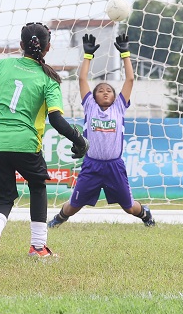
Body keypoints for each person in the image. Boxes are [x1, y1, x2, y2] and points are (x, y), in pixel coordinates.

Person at [0, 22, 89, 260]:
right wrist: (80, 141)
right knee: (37, 186)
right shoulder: (49, 79)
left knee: (3, 197)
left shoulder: (3, 65)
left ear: (21, 45)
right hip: (25, 142)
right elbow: (57, 120)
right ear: (47, 48)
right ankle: (38, 247)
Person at [47, 31, 155, 228]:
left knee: (129, 207)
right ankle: (57, 220)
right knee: (74, 205)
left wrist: (125, 54)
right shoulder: (90, 106)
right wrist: (88, 55)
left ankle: (146, 214)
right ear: (94, 97)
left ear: (115, 97)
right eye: (100, 91)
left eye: (109, 91)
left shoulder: (119, 107)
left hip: (114, 166)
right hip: (92, 166)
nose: (105, 92)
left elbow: (129, 80)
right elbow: (82, 80)